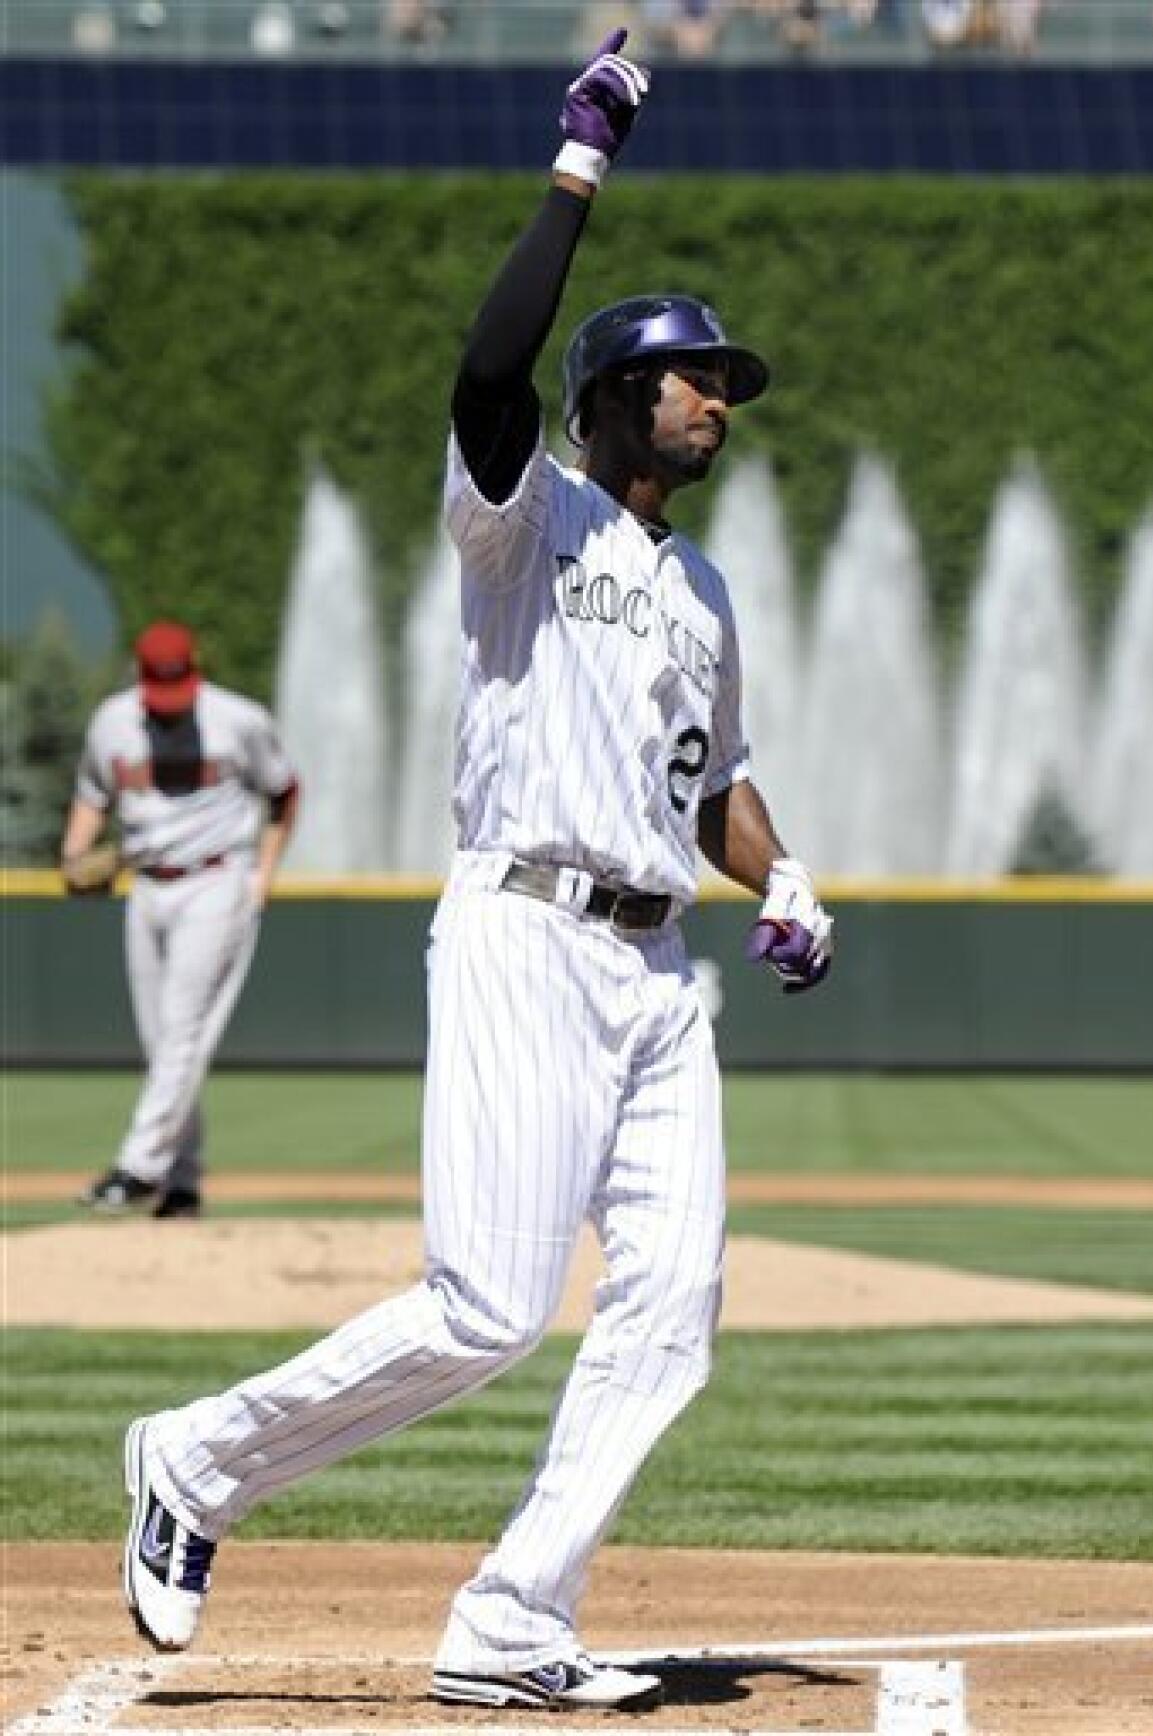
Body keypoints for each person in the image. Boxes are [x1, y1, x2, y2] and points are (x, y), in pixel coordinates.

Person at [119, 27, 833, 1713]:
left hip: (662, 978)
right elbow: (490, 363)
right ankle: (196, 1464)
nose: (717, 394)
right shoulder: (530, 517)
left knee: (671, 1315)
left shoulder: (706, 593)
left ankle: (514, 1617)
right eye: (691, 372)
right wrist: (577, 163)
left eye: (721, 378)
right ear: (609, 401)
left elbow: (714, 781)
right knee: (490, 1303)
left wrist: (785, 875)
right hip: (524, 929)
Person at [65, 620, 300, 1219]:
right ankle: (183, 1181)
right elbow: (92, 796)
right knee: (164, 1040)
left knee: (180, 1027)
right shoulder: (113, 723)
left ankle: (139, 1167)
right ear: (140, 679)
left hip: (217, 880)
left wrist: (264, 873)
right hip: (147, 888)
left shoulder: (238, 719)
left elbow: (284, 791)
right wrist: (72, 857)